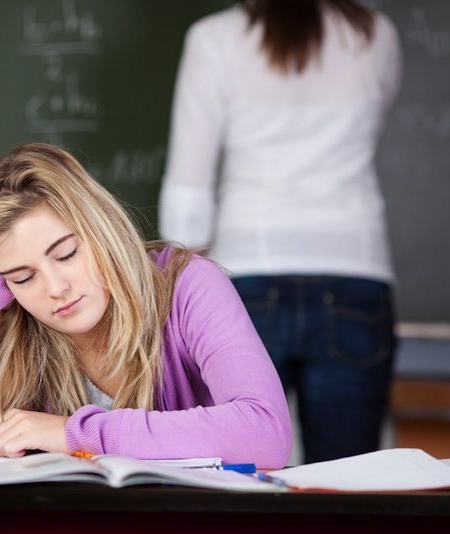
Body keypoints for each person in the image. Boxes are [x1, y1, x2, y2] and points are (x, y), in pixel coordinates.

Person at [0, 143, 292, 469]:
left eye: (67, 253)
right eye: (22, 276)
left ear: (99, 227)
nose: (55, 288)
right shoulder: (7, 321)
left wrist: (73, 433)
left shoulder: (186, 284)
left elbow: (264, 433)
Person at [158, 0, 401, 464]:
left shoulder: (215, 38)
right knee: (349, 478)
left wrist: (178, 281)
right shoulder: (375, 34)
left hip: (245, 271)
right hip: (355, 272)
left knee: (232, 467)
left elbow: (189, 184)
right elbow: (376, 122)